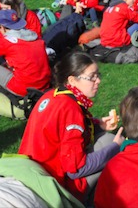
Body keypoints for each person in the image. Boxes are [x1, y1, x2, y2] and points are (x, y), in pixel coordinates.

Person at [18, 51, 123, 202]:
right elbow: (76, 169)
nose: (98, 80)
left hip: (31, 175)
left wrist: (97, 124)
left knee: (105, 138)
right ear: (72, 80)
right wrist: (114, 147)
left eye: (98, 75)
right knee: (109, 141)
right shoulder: (70, 109)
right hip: (56, 187)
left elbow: (61, 131)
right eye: (92, 77)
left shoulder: (53, 94)